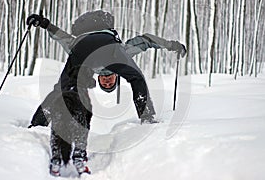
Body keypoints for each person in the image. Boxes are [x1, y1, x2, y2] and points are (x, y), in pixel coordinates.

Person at [26, 10, 186, 176]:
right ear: (115, 76)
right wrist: (170, 45)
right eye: (108, 81)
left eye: (107, 81)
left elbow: (63, 38)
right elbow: (145, 40)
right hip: (109, 47)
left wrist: (45, 25)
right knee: (136, 78)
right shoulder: (122, 51)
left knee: (60, 91)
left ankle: (37, 125)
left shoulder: (86, 49)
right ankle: (147, 118)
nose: (107, 80)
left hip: (82, 48)